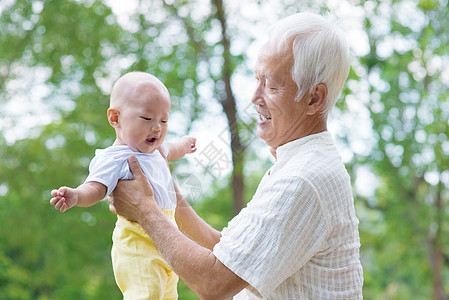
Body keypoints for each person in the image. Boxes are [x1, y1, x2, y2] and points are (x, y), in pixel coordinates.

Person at [108, 12, 363, 299]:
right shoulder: (298, 165)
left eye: (271, 85)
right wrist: (161, 189)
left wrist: (145, 210)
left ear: (314, 98)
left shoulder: (303, 179)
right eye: (257, 79)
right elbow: (225, 250)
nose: (254, 97)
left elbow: (214, 282)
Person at [50, 71, 197, 299]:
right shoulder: (115, 157)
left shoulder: (157, 150)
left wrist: (186, 145)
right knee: (146, 293)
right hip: (137, 241)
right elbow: (96, 188)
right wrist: (77, 196)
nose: (157, 128)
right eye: (147, 119)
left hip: (167, 236)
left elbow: (173, 149)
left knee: (168, 294)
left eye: (164, 120)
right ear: (115, 118)